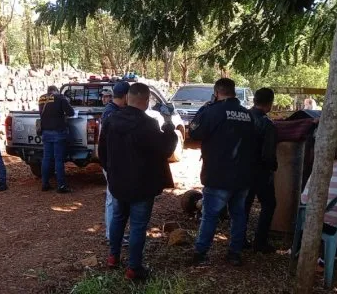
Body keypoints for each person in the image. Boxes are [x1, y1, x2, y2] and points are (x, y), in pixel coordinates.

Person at [98, 83, 178, 280]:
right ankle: (134, 268)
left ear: (128, 98)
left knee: (118, 218)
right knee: (138, 226)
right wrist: (168, 123)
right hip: (142, 185)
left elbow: (102, 151)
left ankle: (113, 258)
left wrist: (112, 172)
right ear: (145, 100)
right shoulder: (148, 124)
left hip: (118, 183)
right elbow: (167, 148)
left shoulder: (111, 120)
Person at [189, 78, 256, 266]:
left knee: (210, 215)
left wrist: (204, 109)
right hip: (243, 175)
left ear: (216, 93)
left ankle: (201, 253)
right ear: (234, 92)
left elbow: (194, 133)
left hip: (218, 174)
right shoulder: (247, 115)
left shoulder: (212, 112)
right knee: (238, 214)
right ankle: (234, 253)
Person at [244, 88, 278, 253]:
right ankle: (260, 241)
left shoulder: (243, 117)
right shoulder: (267, 124)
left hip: (243, 170)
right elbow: (268, 154)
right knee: (269, 204)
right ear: (270, 103)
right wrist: (273, 167)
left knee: (244, 205)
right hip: (261, 172)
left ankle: (240, 239)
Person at [100, 81, 130, 243]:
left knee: (116, 199)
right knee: (113, 199)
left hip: (112, 163)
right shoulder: (111, 114)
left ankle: (115, 233)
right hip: (112, 164)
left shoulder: (113, 111)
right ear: (126, 96)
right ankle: (112, 235)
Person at [39, 85, 75, 193]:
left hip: (45, 132)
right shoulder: (60, 98)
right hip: (58, 132)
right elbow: (71, 113)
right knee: (58, 159)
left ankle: (45, 184)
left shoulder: (42, 98)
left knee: (46, 158)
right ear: (56, 91)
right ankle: (61, 186)